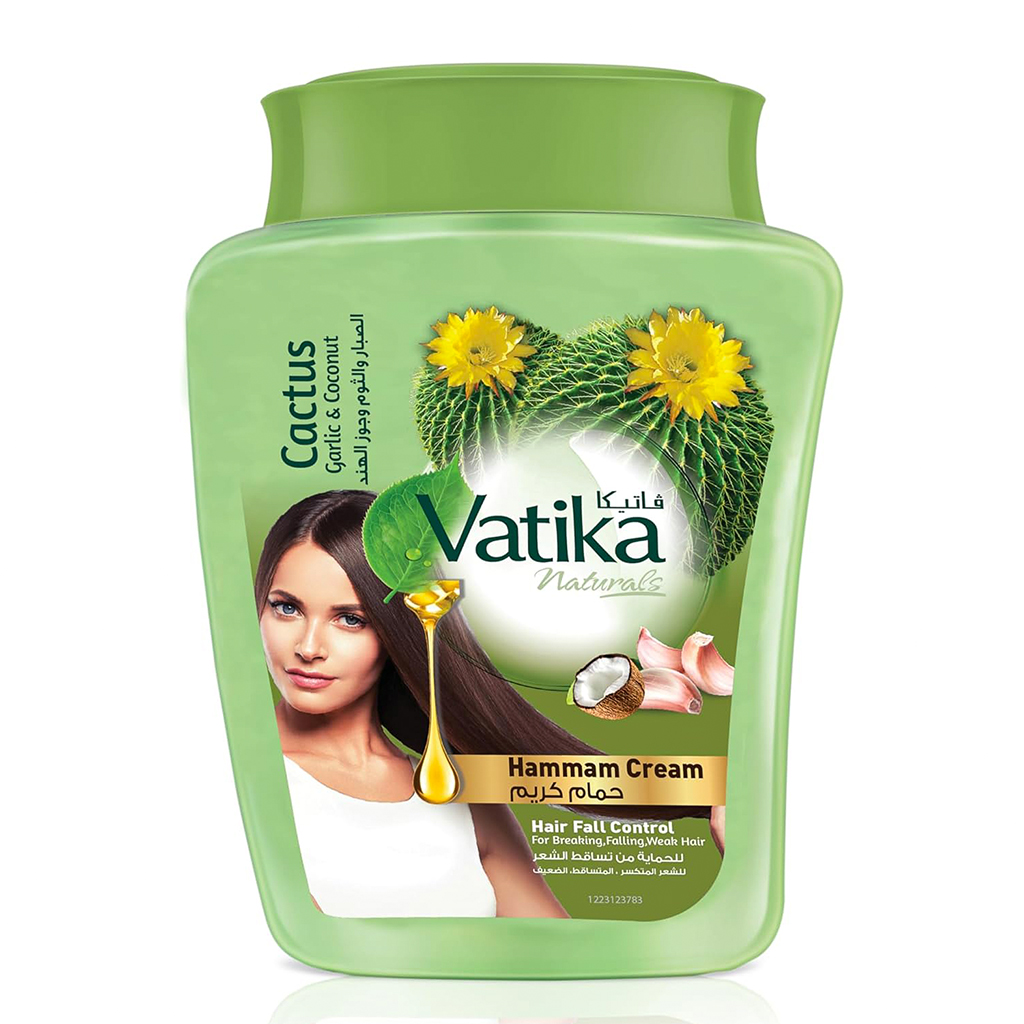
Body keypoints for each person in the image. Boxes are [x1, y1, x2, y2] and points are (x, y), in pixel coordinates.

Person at [255, 489, 713, 919]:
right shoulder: (241, 778)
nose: (308, 647)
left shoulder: (462, 794)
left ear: (400, 629)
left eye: (350, 619)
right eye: (286, 608)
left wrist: (728, 828)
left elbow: (563, 964)